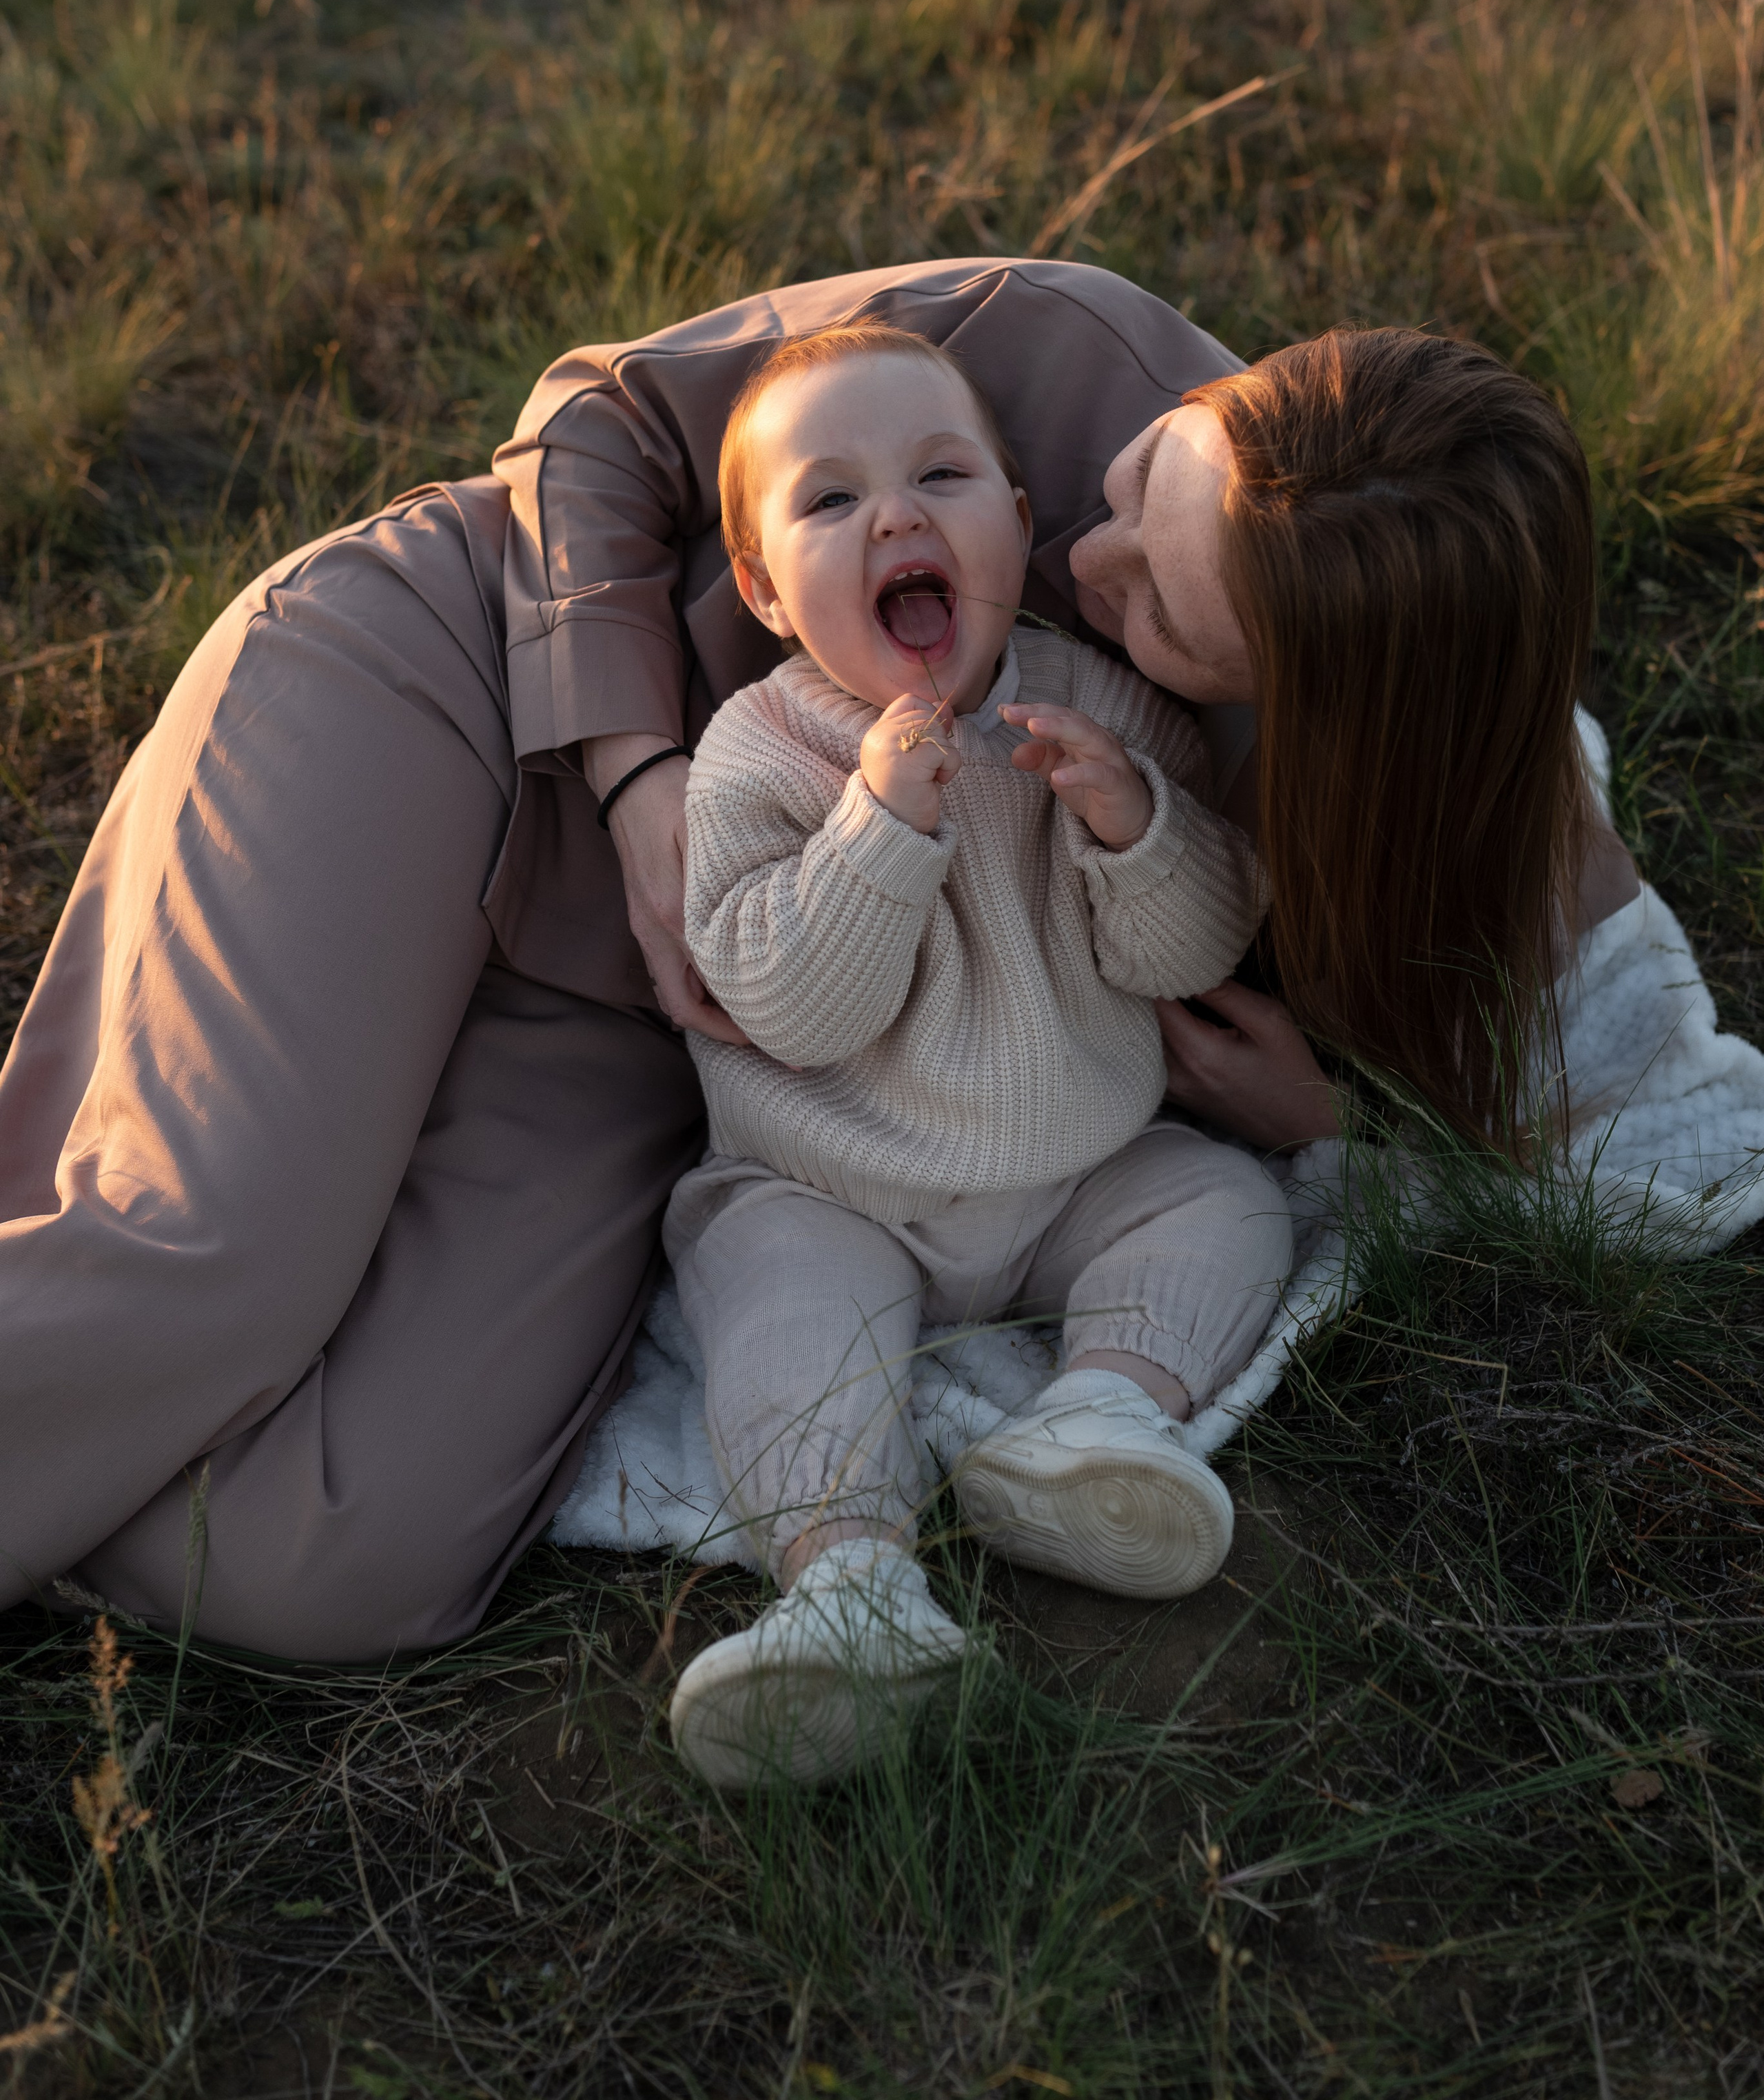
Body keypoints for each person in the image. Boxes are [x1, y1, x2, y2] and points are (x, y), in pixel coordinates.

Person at [0, 258, 1635, 1661]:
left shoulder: (1381, 770)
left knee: (333, 1553)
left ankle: (132, 1386)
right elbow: (592, 418)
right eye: (1129, 490)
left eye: (1166, 616)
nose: (1087, 560)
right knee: (212, 1263)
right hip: (453, 723)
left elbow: (1551, 1083)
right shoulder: (1054, 349)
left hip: (669, 1023)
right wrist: (637, 775)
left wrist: (1321, 1113)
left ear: (1307, 708)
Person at [653, 319, 1285, 1786]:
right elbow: (789, 1011)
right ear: (759, 589)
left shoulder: (1101, 710)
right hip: (831, 1184)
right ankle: (849, 1580)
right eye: (826, 502)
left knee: (1226, 1204)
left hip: (1081, 1165)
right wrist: (881, 830)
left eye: (943, 473)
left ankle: (1095, 1418)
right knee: (782, 1322)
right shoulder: (757, 755)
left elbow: (1190, 951)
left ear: (1015, 520)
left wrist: (1131, 825)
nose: (895, 515)